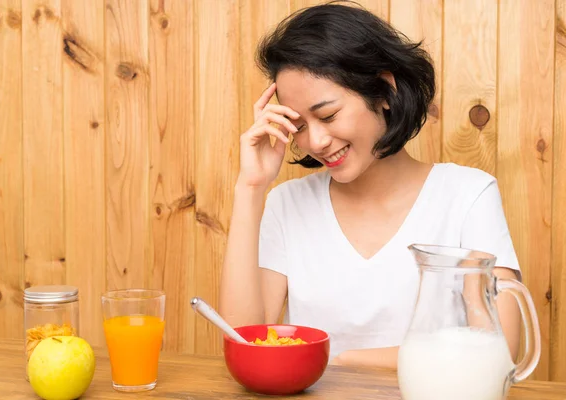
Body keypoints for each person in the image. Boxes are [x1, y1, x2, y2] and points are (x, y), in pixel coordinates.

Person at [218, 0, 521, 369]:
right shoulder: (287, 203)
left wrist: (347, 361)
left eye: (328, 115)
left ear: (383, 91)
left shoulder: (468, 195)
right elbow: (245, 345)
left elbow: (499, 350)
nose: (315, 141)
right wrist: (250, 189)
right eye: (298, 126)